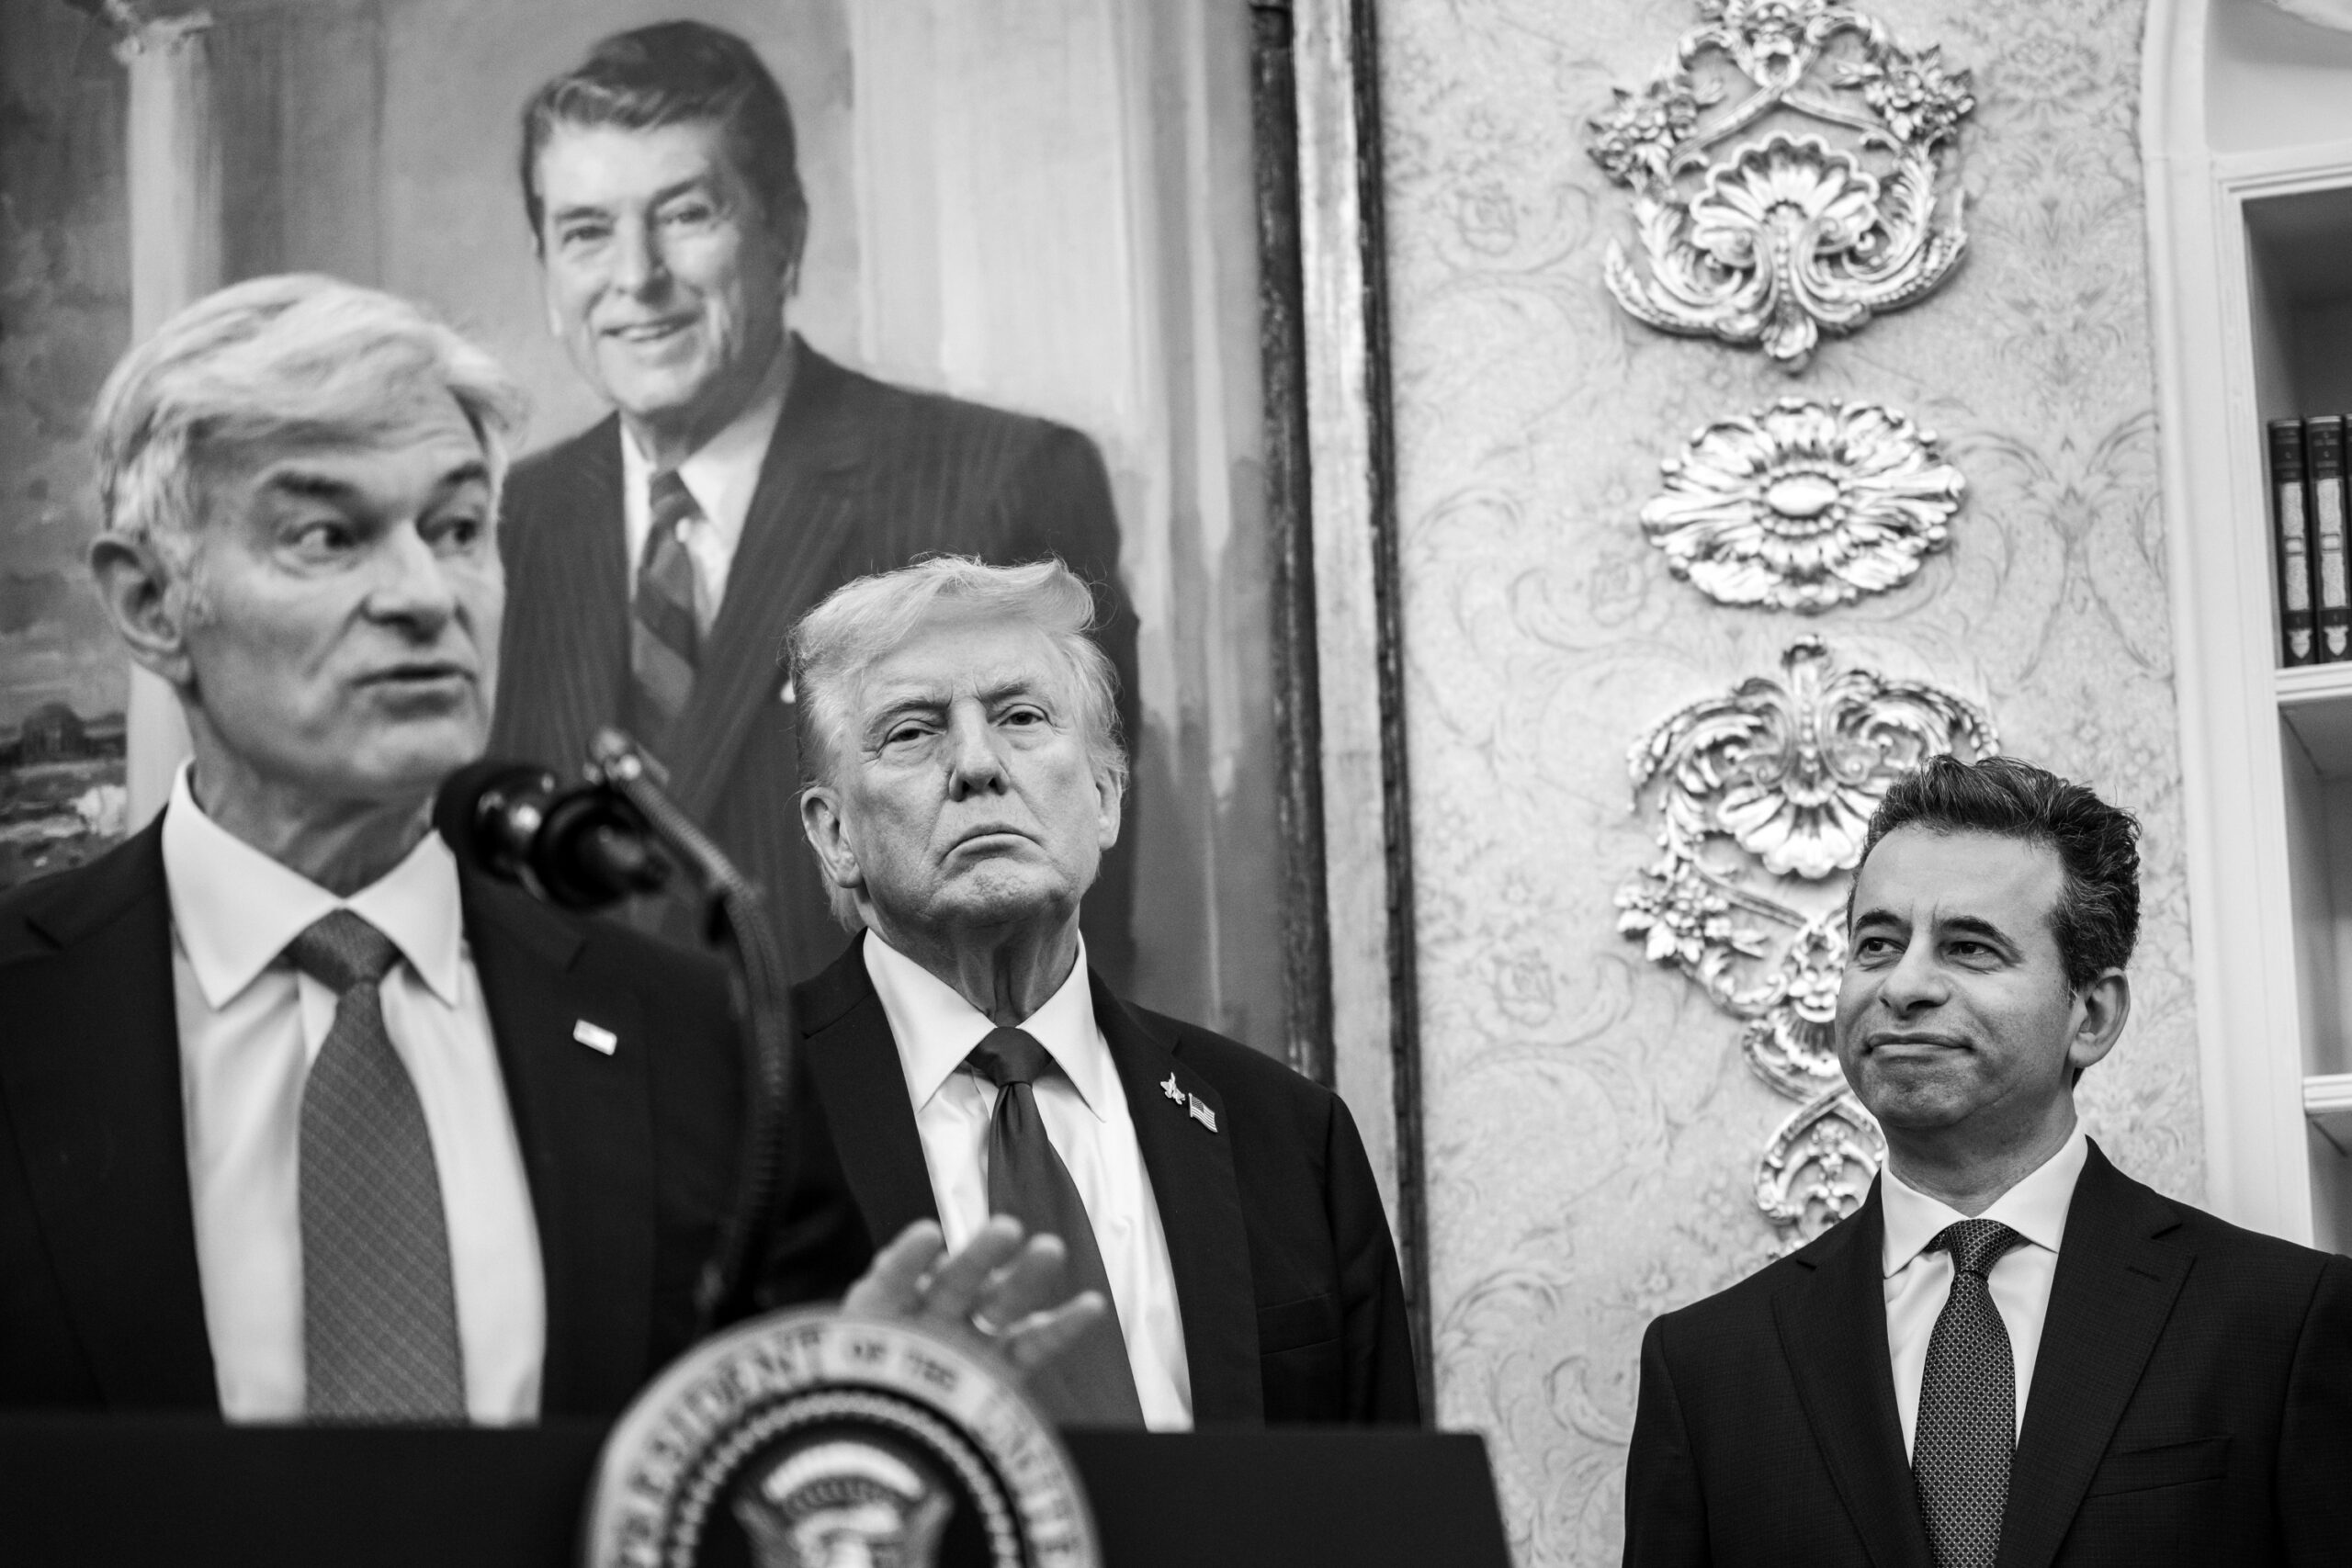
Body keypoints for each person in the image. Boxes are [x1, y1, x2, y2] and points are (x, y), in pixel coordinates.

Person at [0, 275, 1095, 1421]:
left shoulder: (697, 1044)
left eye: (457, 529)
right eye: (327, 536)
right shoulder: (28, 1012)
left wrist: (840, 1414)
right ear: (150, 603)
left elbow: (748, 1473)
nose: (426, 596)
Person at [492, 19, 1137, 986]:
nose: (635, 278)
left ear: (785, 232)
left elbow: (1069, 910)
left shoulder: (999, 481)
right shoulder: (514, 517)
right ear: (546, 262)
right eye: (586, 232)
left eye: (686, 214)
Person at [1621, 755, 2352, 1567]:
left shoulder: (2282, 1323)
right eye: (1876, 944)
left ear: (2092, 1014)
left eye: (1968, 947)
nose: (1903, 985)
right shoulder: (1707, 1367)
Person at [786, 555, 1420, 1428]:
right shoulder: (739, 1117)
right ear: (834, 836)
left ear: (1106, 796)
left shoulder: (1289, 1137)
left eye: (1021, 716)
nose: (977, 763)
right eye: (911, 732)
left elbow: (1382, 1493)